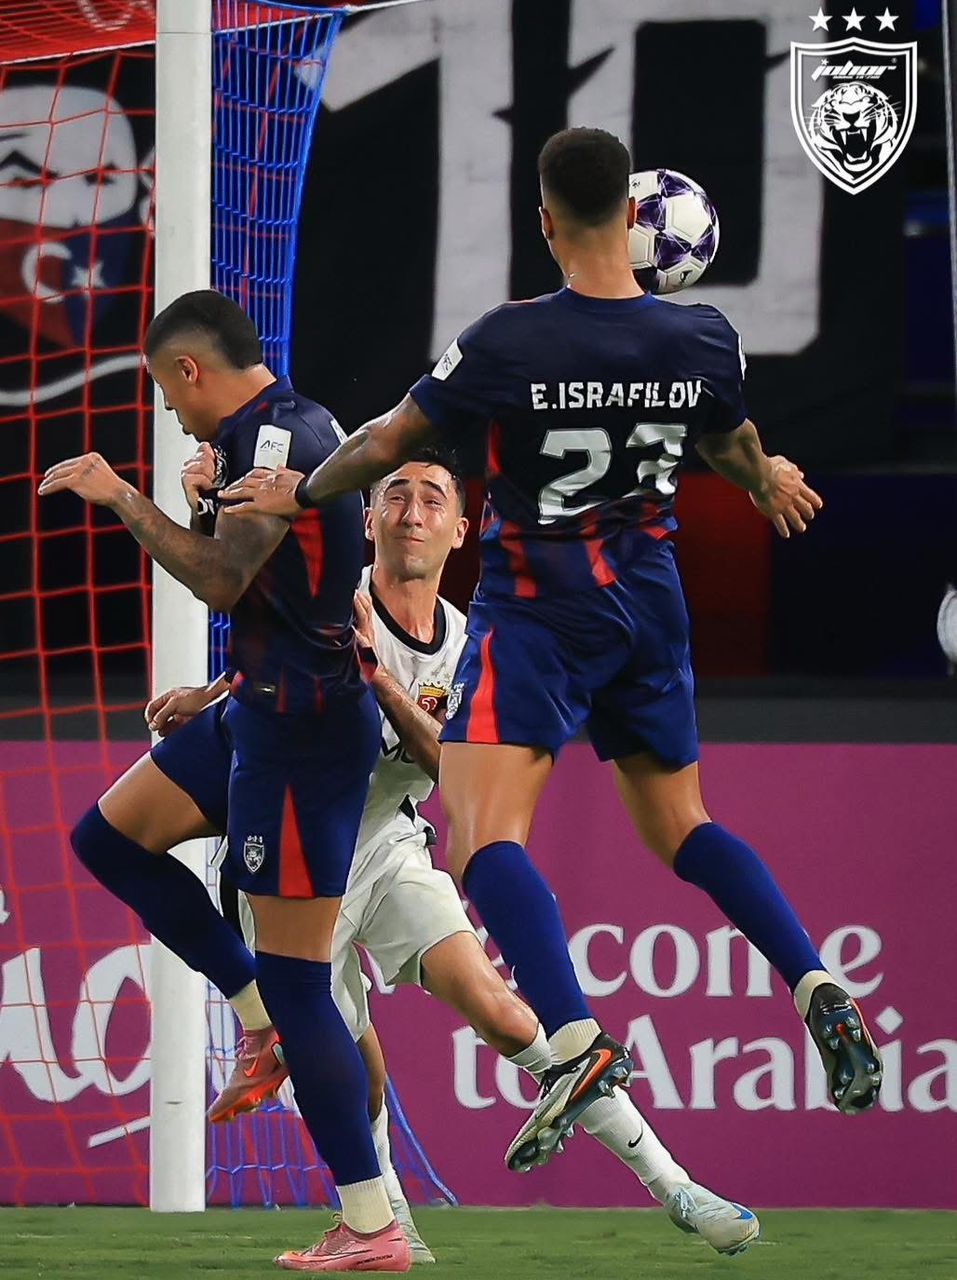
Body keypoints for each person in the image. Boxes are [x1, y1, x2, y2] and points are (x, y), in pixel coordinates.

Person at [221, 127, 883, 1172]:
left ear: (544, 222)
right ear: (633, 214)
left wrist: (300, 490)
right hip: (649, 606)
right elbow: (728, 440)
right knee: (685, 827)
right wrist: (763, 481)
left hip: (539, 611)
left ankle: (573, 1042)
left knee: (484, 838)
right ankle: (811, 978)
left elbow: (388, 442)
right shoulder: (704, 336)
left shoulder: (507, 342)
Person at [165, 449, 758, 1260]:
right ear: (366, 519)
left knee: (504, 1012)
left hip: (385, 842)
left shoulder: (477, 645)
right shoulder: (324, 601)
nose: (411, 514)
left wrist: (380, 683)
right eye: (394, 497)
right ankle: (388, 1223)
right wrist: (207, 683)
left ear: (459, 529)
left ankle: (678, 1188)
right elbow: (249, 642)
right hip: (291, 860)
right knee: (350, 1070)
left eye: (431, 500)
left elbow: (455, 768)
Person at [38, 290, 410, 1273]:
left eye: (169, 395)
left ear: (190, 370)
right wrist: (218, 678)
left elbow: (221, 580)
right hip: (257, 704)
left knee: (299, 981)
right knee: (108, 837)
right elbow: (279, 590)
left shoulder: (279, 437)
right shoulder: (263, 434)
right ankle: (258, 1023)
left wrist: (125, 497)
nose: (173, 413)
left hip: (303, 733)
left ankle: (371, 1224)